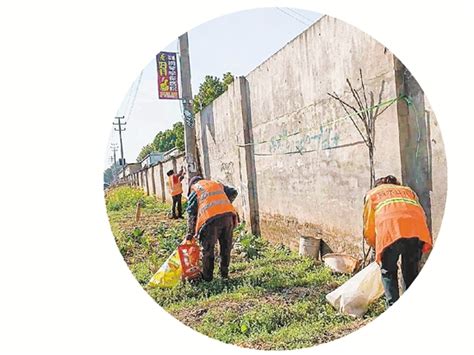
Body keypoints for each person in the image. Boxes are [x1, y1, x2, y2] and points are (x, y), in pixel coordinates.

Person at [363, 175, 433, 306]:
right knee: (411, 270)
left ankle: (393, 306)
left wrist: (374, 245)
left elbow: (369, 225)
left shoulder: (372, 194)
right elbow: (421, 214)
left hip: (390, 231)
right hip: (416, 231)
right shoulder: (408, 191)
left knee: (388, 271)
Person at [185, 176, 238, 281]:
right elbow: (233, 192)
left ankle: (208, 278)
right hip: (228, 218)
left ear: (192, 184)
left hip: (210, 222)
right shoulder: (216, 184)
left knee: (208, 250)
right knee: (226, 247)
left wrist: (190, 233)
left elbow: (191, 213)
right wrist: (224, 205)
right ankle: (224, 275)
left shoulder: (196, 189)